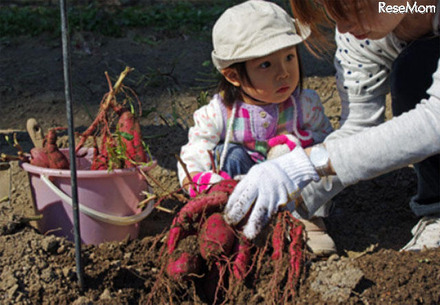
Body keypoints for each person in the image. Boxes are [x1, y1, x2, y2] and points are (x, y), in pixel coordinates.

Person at [224, 0, 440, 252]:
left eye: (356, 8)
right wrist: (297, 196)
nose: (344, 25)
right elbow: (360, 127)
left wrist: (304, 163)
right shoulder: (360, 36)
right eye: (334, 9)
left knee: (415, 65)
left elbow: (435, 121)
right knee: (413, 70)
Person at [177, 0, 334, 252]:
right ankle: (235, 224)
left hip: (293, 189)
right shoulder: (219, 112)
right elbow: (195, 150)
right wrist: (205, 182)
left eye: (289, 57)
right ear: (234, 76)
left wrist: (298, 144)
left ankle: (307, 221)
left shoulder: (305, 104)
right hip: (240, 186)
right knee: (230, 153)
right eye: (266, 64)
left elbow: (328, 143)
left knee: (302, 155)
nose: (283, 72)